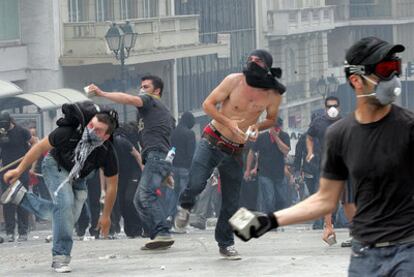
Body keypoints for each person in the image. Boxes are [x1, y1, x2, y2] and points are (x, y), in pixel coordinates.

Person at [232, 37, 414, 276]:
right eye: (384, 70)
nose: (393, 79)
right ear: (356, 79)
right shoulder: (339, 135)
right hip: (365, 256)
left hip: (407, 251)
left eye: (395, 69)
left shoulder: (408, 128)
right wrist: (268, 221)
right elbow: (325, 199)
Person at [174, 49, 285, 260]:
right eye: (250, 59)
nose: (252, 63)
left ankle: (225, 243)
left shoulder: (273, 94)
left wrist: (256, 127)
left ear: (267, 67)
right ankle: (185, 205)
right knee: (197, 183)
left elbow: (270, 119)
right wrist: (229, 122)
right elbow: (207, 105)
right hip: (211, 140)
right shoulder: (233, 81)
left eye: (258, 61)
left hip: (236, 150)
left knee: (231, 202)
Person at [1, 109, 119, 273]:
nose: (92, 130)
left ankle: (21, 196)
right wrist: (19, 170)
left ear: (106, 137)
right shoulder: (68, 132)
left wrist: (105, 216)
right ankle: (60, 257)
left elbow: (113, 185)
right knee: (64, 206)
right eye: (91, 125)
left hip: (78, 178)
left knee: (67, 218)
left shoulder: (107, 152)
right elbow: (39, 147)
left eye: (98, 130)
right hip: (54, 166)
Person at [88, 75, 176, 250]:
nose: (142, 90)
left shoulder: (150, 101)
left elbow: (128, 99)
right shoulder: (159, 112)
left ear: (156, 91)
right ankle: (157, 235)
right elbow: (165, 137)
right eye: (141, 87)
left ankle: (163, 232)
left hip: (156, 156)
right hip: (158, 157)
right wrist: (166, 170)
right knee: (138, 200)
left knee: (144, 196)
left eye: (146, 87)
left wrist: (102, 93)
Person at [0, 112, 36, 242]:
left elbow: (35, 144)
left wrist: (31, 166)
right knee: (7, 201)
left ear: (10, 121)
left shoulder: (22, 131)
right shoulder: (0, 132)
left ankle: (23, 231)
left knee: (21, 200)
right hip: (5, 172)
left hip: (21, 170)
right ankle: (10, 232)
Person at [245, 117, 290, 213]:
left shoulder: (284, 136)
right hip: (264, 172)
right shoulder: (261, 137)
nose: (276, 129)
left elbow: (285, 151)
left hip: (279, 173)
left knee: (281, 199)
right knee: (269, 198)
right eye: (274, 127)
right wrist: (248, 170)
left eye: (278, 127)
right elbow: (252, 152)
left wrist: (276, 137)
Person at [164, 111, 196, 226]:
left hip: (172, 167)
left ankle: (168, 217)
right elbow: (191, 154)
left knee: (171, 193)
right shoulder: (190, 134)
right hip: (185, 168)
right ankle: (180, 221)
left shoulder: (173, 133)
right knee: (183, 195)